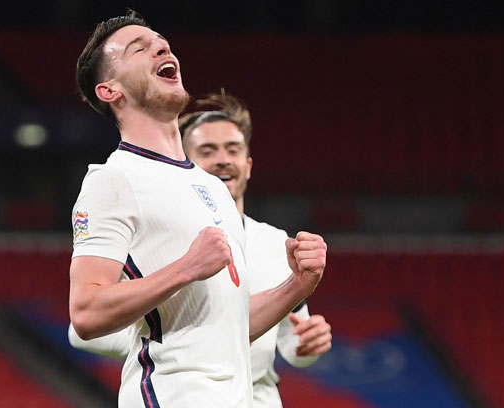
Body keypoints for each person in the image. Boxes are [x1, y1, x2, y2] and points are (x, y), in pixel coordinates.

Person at [70, 10, 327, 407]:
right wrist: (187, 267)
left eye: (162, 42)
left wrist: (298, 285)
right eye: (140, 48)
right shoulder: (113, 179)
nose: (162, 47)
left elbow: (229, 328)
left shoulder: (211, 187)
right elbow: (86, 313)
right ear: (110, 91)